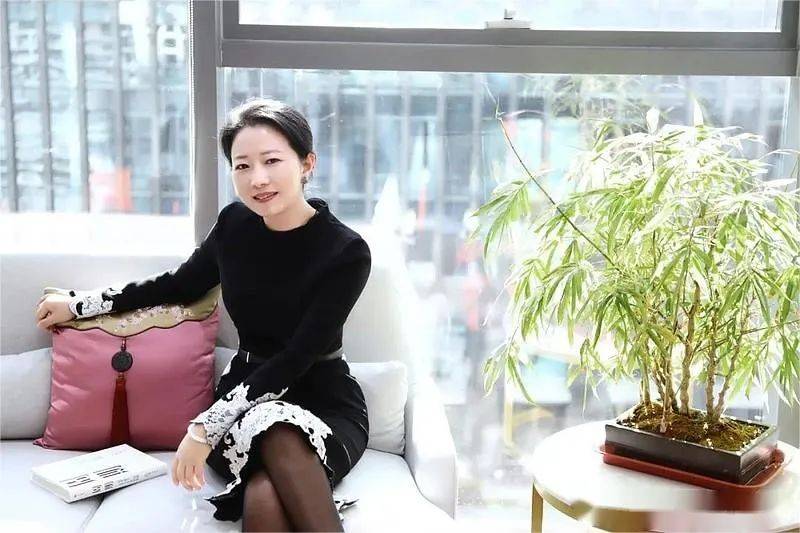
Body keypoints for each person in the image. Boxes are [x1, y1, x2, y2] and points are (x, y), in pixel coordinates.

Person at [34, 98, 372, 532]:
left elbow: (296, 358)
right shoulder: (234, 226)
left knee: (266, 489)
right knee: (266, 488)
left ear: (307, 163)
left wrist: (204, 429)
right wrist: (81, 305)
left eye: (272, 161)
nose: (258, 178)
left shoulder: (346, 252)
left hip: (323, 401)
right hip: (242, 404)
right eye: (242, 166)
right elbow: (176, 286)